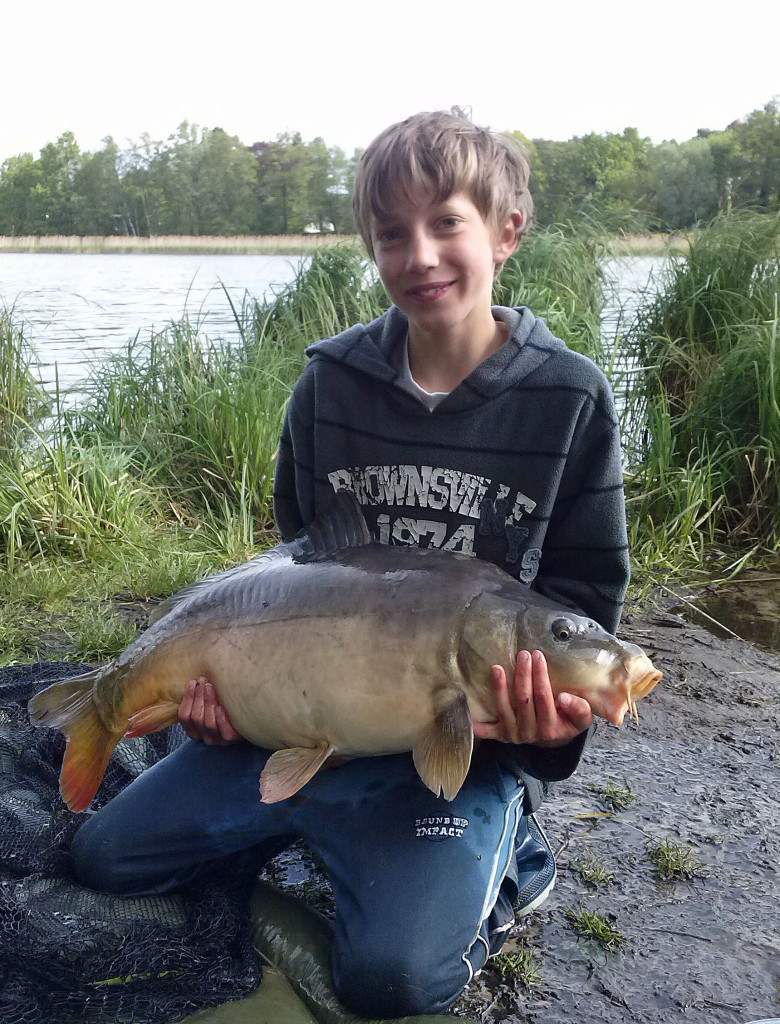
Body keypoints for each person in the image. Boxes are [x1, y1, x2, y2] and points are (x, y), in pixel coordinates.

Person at [72, 109, 630, 1018]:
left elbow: (580, 607)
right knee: (104, 860)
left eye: (446, 222)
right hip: (305, 722)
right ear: (370, 246)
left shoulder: (570, 400)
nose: (421, 255)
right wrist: (232, 702)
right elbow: (293, 569)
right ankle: (307, 816)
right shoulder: (329, 383)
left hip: (458, 740)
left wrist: (552, 728)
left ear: (505, 231)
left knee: (396, 981)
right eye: (391, 233)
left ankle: (510, 855)